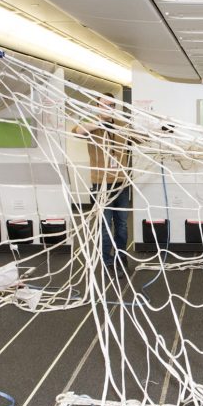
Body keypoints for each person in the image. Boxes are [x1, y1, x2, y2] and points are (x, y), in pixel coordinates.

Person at [72, 93, 137, 272]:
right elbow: (77, 131)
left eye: (111, 105)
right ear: (97, 106)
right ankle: (107, 261)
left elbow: (141, 138)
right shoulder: (91, 126)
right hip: (101, 185)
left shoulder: (122, 126)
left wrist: (161, 129)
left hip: (122, 184)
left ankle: (120, 257)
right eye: (104, 105)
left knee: (122, 225)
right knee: (105, 226)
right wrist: (100, 123)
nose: (107, 108)